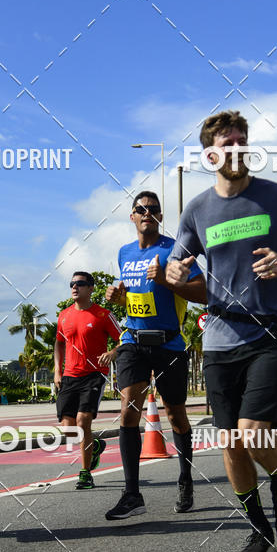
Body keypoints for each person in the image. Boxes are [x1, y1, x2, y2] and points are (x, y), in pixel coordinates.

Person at [167, 110, 277, 552]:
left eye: (242, 140)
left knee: (252, 432)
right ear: (210, 153)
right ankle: (259, 527)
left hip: (271, 328)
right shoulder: (197, 209)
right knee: (230, 442)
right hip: (219, 336)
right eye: (226, 143)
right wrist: (176, 270)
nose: (236, 148)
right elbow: (180, 263)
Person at [104, 192, 205, 519]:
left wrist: (166, 280)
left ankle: (186, 479)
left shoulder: (176, 250)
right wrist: (119, 298)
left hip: (169, 344)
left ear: (160, 216)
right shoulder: (124, 253)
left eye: (153, 210)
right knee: (128, 410)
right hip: (133, 341)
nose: (147, 213)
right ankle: (132, 494)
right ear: (132, 216)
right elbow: (135, 298)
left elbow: (204, 292)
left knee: (175, 414)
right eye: (140, 209)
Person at [54, 272, 121, 489]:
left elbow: (125, 338)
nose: (75, 287)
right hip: (69, 376)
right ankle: (96, 445)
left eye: (80, 283)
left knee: (83, 422)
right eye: (72, 283)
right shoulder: (63, 316)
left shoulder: (103, 315)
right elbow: (59, 344)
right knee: (68, 429)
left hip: (94, 375)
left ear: (91, 288)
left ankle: (85, 473)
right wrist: (57, 371)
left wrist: (112, 353)